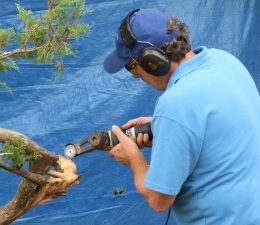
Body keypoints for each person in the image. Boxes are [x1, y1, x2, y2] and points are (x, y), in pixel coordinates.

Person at [103, 8, 260, 225]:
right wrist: (162, 126)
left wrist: (134, 158)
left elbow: (159, 200)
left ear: (151, 60)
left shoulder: (175, 104)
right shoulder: (223, 60)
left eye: (132, 67)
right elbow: (215, 126)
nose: (136, 76)